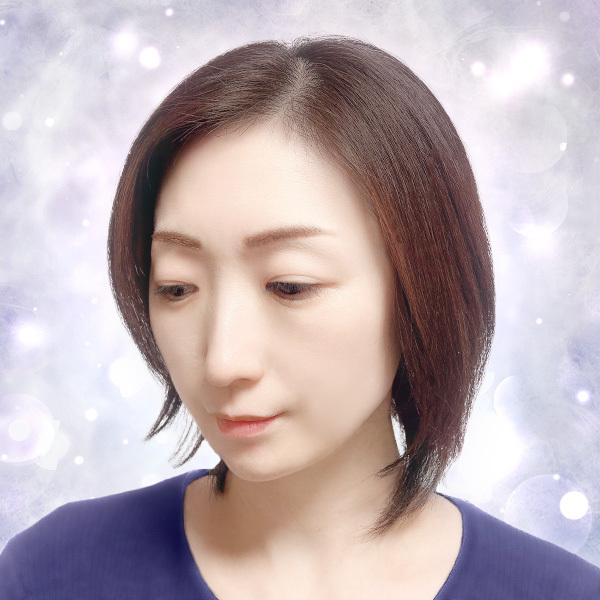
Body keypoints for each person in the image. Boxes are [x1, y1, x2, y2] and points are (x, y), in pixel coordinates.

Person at [1, 34, 598, 599]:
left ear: (422, 284)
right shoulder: (55, 573)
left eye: (290, 285)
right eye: (177, 288)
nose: (223, 361)